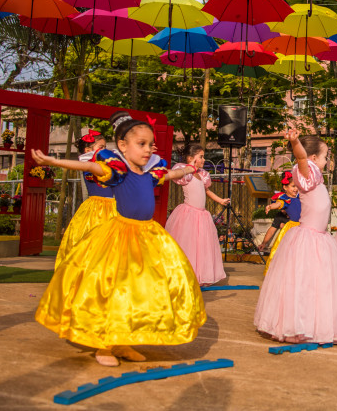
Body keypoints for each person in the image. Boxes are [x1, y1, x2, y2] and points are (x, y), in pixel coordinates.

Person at [33, 111, 206, 367]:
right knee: (113, 288)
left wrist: (190, 168)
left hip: (148, 235)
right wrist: (55, 162)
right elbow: (90, 166)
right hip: (119, 235)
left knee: (137, 289)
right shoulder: (118, 172)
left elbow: (169, 175)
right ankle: (103, 344)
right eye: (141, 144)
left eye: (150, 144)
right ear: (123, 146)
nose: (147, 150)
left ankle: (123, 340)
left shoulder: (151, 173)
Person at [254, 130, 337, 343]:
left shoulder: (316, 178)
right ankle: (299, 325)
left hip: (320, 238)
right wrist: (295, 141)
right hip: (308, 238)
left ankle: (317, 323)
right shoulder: (305, 173)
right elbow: (301, 157)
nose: (327, 159)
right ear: (313, 158)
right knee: (303, 283)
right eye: (325, 156)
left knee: (319, 284)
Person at [165, 143, 231, 286]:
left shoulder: (202, 175)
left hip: (202, 216)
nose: (203, 159)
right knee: (188, 245)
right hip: (189, 215)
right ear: (190, 158)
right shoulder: (185, 173)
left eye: (203, 157)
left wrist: (220, 200)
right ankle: (185, 273)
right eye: (200, 157)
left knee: (200, 247)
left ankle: (199, 275)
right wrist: (189, 168)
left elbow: (207, 191)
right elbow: (177, 175)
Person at [54, 130, 116, 270]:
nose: (104, 150)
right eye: (101, 147)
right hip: (97, 209)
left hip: (114, 207)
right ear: (88, 150)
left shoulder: (106, 163)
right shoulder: (88, 164)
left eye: (105, 147)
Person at [260, 171, 301, 274]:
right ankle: (283, 273)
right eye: (292, 186)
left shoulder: (300, 197)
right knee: (287, 252)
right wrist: (270, 206)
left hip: (302, 227)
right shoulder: (285, 200)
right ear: (285, 187)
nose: (295, 189)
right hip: (292, 228)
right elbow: (278, 204)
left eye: (296, 186)